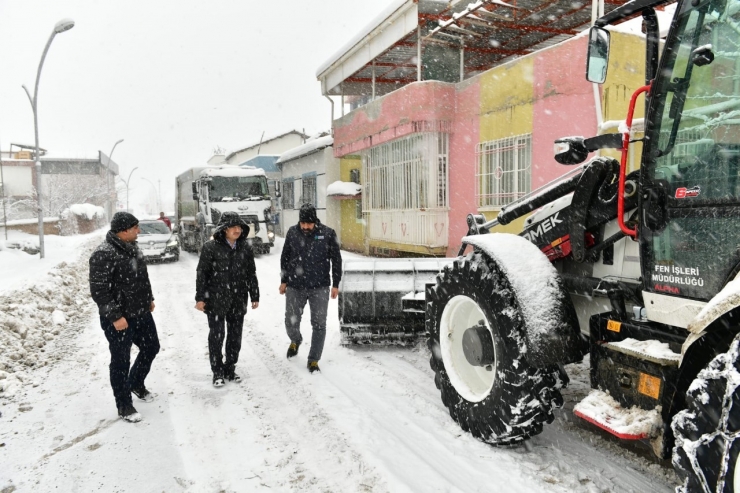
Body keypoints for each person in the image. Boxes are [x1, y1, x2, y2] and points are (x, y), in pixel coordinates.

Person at [89, 211, 159, 423]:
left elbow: (142, 278)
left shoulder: (133, 248)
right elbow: (99, 290)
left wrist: (149, 298)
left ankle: (136, 383)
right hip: (119, 319)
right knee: (120, 360)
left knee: (151, 347)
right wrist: (115, 316)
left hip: (141, 313)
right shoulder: (104, 254)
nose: (139, 231)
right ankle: (124, 405)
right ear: (124, 230)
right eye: (135, 227)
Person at [195, 212, 260, 387]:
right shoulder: (210, 247)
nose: (237, 230)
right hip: (216, 299)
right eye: (233, 227)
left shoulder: (245, 248)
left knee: (235, 336)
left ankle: (230, 368)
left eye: (239, 227)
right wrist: (200, 298)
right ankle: (217, 372)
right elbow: (202, 274)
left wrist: (255, 295)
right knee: (216, 336)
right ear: (224, 229)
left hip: (238, 298)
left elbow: (250, 273)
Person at [280, 203, 342, 373]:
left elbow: (336, 260)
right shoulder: (292, 233)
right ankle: (296, 339)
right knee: (290, 320)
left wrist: (336, 283)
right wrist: (284, 280)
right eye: (303, 223)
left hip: (320, 286)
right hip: (295, 285)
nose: (306, 227)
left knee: (319, 324)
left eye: (309, 223)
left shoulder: (328, 234)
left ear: (315, 221)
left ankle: (313, 360)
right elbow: (285, 258)